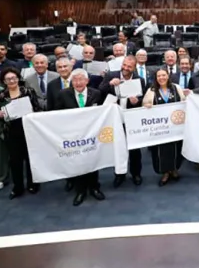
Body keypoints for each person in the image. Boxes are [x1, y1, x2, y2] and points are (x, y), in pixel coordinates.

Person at [55, 69, 106, 206]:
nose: (78, 83)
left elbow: (102, 113)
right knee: (77, 162)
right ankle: (80, 191)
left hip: (91, 135)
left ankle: (94, 187)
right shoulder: (63, 94)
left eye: (81, 79)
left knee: (93, 160)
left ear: (87, 81)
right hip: (73, 136)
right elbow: (56, 115)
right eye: (75, 80)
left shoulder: (96, 93)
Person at [0, 68, 41, 199]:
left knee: (30, 158)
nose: (11, 81)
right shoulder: (0, 95)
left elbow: (37, 108)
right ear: (4, 81)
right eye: (8, 79)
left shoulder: (28, 91)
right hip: (11, 131)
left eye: (14, 78)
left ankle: (33, 184)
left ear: (18, 78)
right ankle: (18, 187)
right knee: (15, 161)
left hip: (28, 129)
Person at [100, 55, 146, 186]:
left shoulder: (140, 80)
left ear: (134, 68)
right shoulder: (111, 75)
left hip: (131, 118)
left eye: (129, 66)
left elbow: (144, 100)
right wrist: (109, 84)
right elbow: (99, 91)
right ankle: (119, 174)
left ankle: (136, 174)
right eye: (124, 65)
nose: (125, 68)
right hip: (115, 118)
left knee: (134, 149)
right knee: (117, 147)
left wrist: (138, 102)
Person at [143, 68, 186, 186]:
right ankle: (165, 172)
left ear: (168, 76)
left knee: (176, 149)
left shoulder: (176, 87)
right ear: (156, 78)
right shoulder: (151, 91)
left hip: (175, 127)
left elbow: (183, 102)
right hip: (160, 129)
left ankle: (174, 169)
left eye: (164, 75)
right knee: (161, 151)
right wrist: (147, 105)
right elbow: (144, 105)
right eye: (159, 76)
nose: (161, 78)